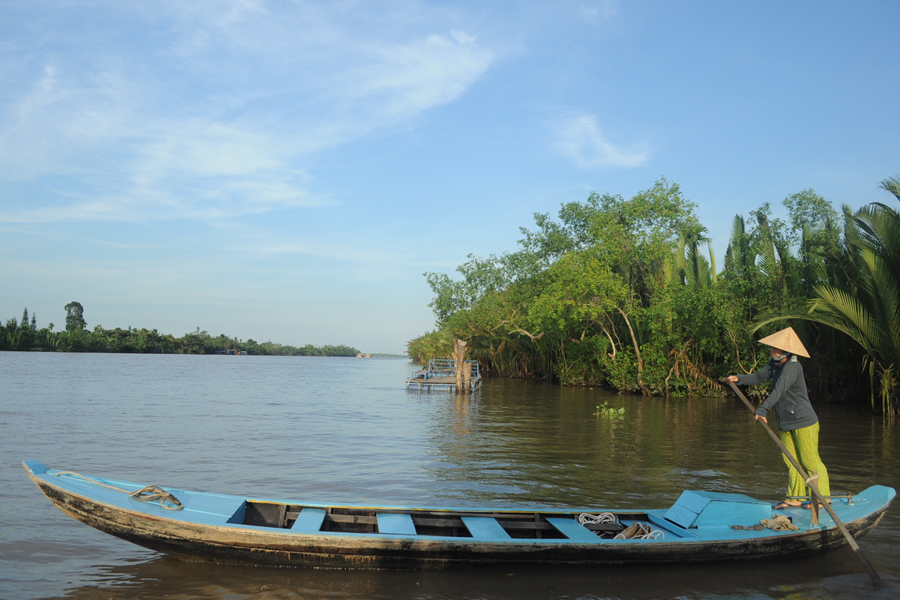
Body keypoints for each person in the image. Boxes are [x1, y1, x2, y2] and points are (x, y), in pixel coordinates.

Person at [726, 326, 830, 509]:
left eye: (776, 348)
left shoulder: (792, 367)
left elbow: (779, 390)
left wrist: (763, 409)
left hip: (804, 422)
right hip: (786, 422)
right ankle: (795, 497)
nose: (773, 351)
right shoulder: (774, 364)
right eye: (772, 348)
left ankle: (823, 497)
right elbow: (759, 377)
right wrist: (739, 379)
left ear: (787, 351)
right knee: (791, 461)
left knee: (809, 460)